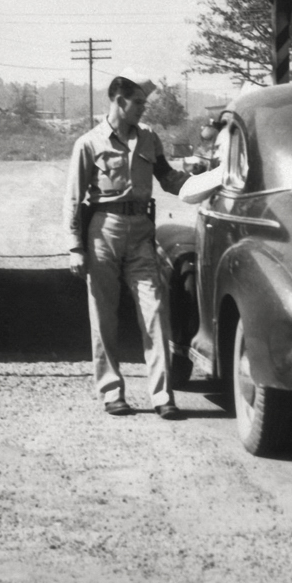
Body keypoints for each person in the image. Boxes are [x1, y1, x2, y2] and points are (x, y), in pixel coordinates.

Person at [66, 71, 198, 419]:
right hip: (102, 230)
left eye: (144, 103)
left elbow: (169, 179)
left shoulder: (150, 139)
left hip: (141, 231)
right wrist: (75, 247)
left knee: (155, 312)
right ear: (118, 100)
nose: (143, 109)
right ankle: (111, 392)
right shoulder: (89, 143)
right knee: (104, 315)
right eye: (138, 103)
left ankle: (162, 396)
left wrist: (207, 180)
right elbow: (73, 198)